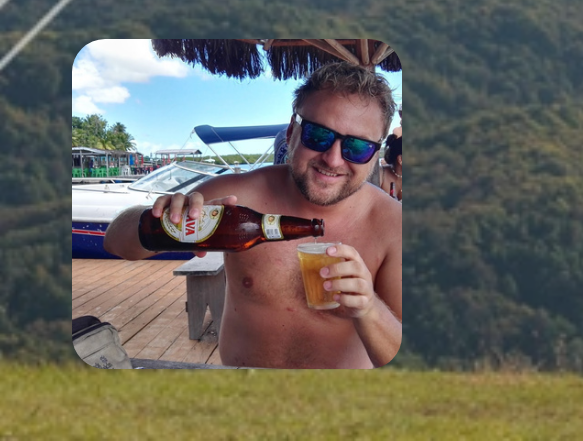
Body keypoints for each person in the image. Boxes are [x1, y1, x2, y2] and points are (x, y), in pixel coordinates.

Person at [103, 61, 402, 368]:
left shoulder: (394, 225)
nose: (333, 159)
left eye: (357, 147)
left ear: (375, 154)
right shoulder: (237, 197)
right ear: (292, 132)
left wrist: (370, 309)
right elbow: (115, 242)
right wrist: (161, 217)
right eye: (318, 135)